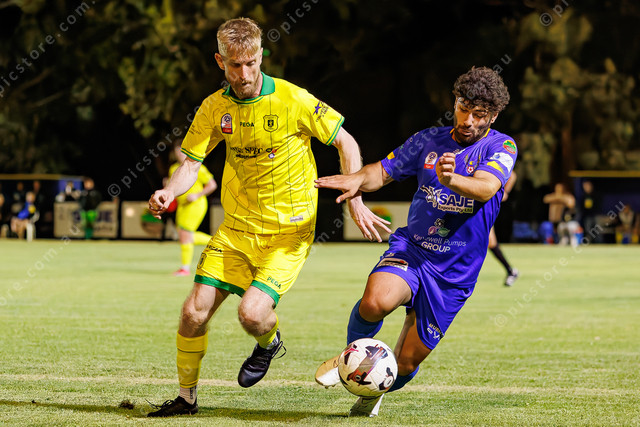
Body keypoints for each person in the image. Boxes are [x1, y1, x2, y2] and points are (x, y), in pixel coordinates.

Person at [146, 17, 389, 417]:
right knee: (192, 313)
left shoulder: (293, 100)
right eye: (234, 65)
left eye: (251, 63)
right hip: (237, 228)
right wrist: (169, 191)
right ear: (220, 61)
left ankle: (269, 342)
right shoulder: (214, 107)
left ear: (261, 55)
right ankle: (186, 400)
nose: (244, 74)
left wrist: (355, 196)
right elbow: (190, 163)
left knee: (251, 314)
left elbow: (346, 141)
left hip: (288, 233)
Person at [314, 66, 516, 417]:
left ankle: (373, 390)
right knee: (375, 302)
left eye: (479, 114)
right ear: (455, 103)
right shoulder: (427, 141)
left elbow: (486, 188)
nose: (468, 120)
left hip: (454, 274)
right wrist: (357, 179)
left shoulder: (502, 146)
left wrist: (452, 180)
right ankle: (352, 357)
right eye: (463, 108)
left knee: (405, 364)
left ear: (493, 116)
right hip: (414, 250)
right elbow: (381, 172)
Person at [169, 140, 218, 276]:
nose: (180, 154)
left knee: (185, 233)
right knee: (184, 235)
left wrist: (197, 195)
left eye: (182, 151)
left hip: (195, 204)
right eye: (178, 151)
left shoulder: (197, 167)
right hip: (182, 205)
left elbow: (212, 185)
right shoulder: (174, 168)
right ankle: (218, 243)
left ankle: (185, 268)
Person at [488, 171, 518, 286]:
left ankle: (511, 271)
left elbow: (512, 175)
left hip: (483, 206)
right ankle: (510, 271)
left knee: (491, 242)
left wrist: (504, 192)